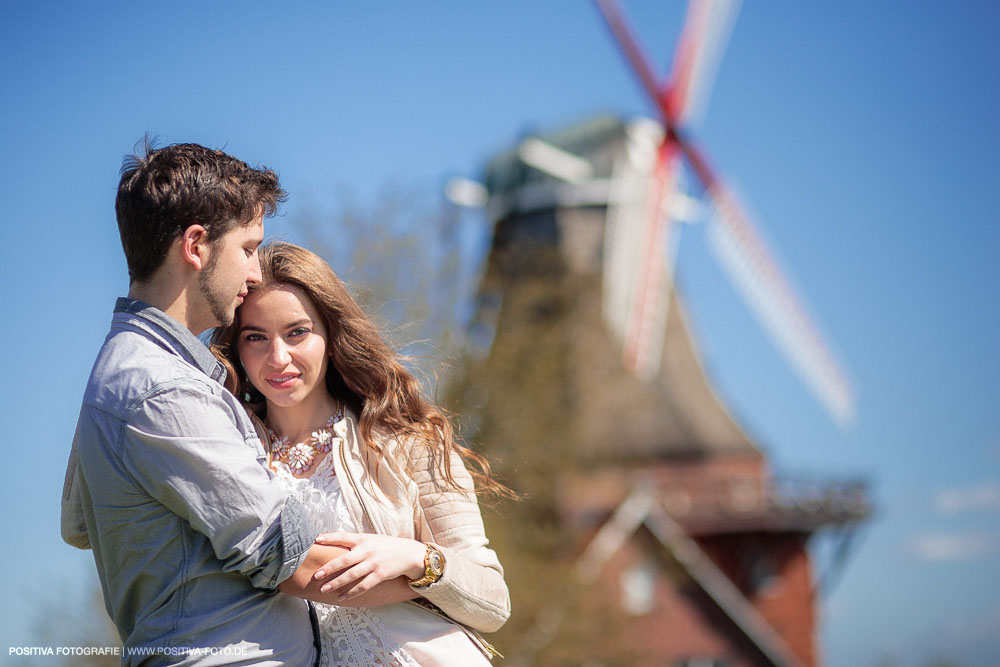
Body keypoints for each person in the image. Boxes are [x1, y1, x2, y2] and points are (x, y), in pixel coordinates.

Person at [60, 140, 419, 666]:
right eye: (248, 247)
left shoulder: (125, 369)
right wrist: (436, 573)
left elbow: (78, 523)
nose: (254, 273)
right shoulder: (164, 388)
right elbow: (291, 559)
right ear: (196, 245)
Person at [210, 241, 511, 666]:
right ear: (236, 347)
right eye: (255, 337)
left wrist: (415, 559)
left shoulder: (406, 441)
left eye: (297, 332)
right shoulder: (227, 449)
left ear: (330, 336)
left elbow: (493, 602)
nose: (278, 358)